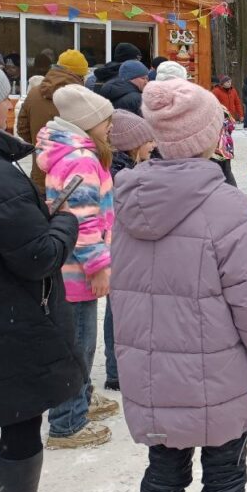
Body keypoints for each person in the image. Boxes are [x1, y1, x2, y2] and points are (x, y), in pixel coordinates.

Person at [111, 78, 247, 492]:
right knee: (225, 476)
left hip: (154, 376)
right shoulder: (226, 207)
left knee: (163, 473)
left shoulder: (128, 202)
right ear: (210, 137)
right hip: (220, 376)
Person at [0, 57, 83, 492]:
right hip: (3, 321)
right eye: (0, 98)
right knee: (21, 418)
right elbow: (37, 257)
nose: (9, 104)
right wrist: (65, 222)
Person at [35, 84, 119, 449]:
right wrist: (98, 266)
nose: (111, 126)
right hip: (78, 271)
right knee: (78, 345)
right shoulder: (80, 161)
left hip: (74, 267)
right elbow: (81, 220)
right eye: (106, 120)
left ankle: (80, 398)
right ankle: (67, 422)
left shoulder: (77, 154)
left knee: (80, 342)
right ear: (88, 122)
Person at [104, 110, 156, 393]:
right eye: (148, 140)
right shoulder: (121, 174)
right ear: (133, 143)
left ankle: (119, 370)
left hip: (122, 250)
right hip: (120, 251)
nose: (153, 145)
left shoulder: (128, 168)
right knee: (120, 311)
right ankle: (117, 371)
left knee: (121, 309)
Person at [17, 49, 90, 195]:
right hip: (72, 177)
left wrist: (40, 143)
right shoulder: (83, 98)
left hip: (41, 172)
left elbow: (22, 129)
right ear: (80, 75)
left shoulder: (34, 93)